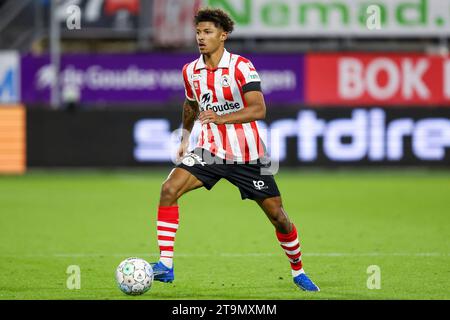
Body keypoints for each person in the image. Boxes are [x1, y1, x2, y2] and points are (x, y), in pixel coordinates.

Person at [151, 7, 319, 292]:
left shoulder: (241, 66)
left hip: (249, 155)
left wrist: (220, 117)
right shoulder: (190, 71)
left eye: (208, 32)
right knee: (169, 189)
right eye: (198, 32)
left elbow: (258, 108)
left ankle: (298, 271)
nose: (201, 38)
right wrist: (185, 137)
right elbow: (191, 104)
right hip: (209, 150)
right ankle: (165, 264)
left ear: (223, 35)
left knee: (278, 216)